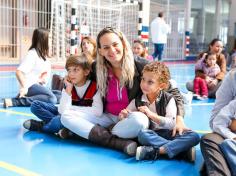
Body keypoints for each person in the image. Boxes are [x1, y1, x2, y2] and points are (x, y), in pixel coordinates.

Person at [61, 27, 189, 156]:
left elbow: (173, 89)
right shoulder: (96, 68)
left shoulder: (141, 65)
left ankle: (93, 134)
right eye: (105, 47)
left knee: (140, 121)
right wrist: (68, 82)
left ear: (122, 43)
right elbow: (80, 81)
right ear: (100, 50)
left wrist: (179, 119)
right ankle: (116, 142)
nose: (112, 50)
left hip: (131, 117)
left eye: (115, 44)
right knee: (66, 116)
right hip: (106, 117)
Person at [118, 61, 200, 162]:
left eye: (150, 82)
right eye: (143, 79)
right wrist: (123, 115)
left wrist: (151, 115)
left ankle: (156, 151)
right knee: (142, 135)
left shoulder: (169, 99)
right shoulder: (137, 100)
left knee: (195, 136)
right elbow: (126, 113)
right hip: (153, 134)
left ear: (161, 86)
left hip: (170, 133)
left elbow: (171, 124)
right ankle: (181, 151)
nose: (144, 84)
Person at [23, 54, 102, 136]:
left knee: (59, 120)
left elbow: (98, 111)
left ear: (86, 71)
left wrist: (72, 110)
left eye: (75, 70)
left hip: (79, 117)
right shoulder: (68, 85)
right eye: (69, 70)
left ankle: (42, 127)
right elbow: (62, 111)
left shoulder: (93, 87)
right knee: (35, 105)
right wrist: (68, 91)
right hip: (67, 114)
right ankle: (65, 127)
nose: (71, 74)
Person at [3, 28, 58, 108]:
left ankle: (29, 97)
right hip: (30, 86)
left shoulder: (44, 55)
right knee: (51, 99)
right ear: (43, 39)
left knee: (60, 95)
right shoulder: (32, 54)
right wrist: (24, 87)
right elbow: (19, 72)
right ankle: (15, 101)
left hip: (39, 86)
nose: (51, 40)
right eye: (49, 38)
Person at [200, 68, 236, 176]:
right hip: (229, 136)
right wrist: (232, 131)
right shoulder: (232, 78)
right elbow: (216, 122)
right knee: (209, 140)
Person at [212, 99, 236, 176]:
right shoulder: (234, 104)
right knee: (226, 143)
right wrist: (233, 136)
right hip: (233, 142)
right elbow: (218, 124)